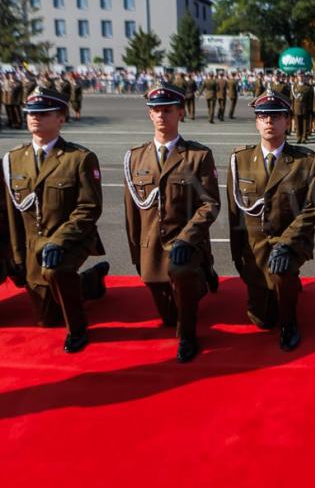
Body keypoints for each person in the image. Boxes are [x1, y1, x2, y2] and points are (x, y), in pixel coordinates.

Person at [3, 87, 109, 352]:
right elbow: (11, 213)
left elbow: (89, 208)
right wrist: (16, 257)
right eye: (31, 113)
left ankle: (78, 328)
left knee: (57, 270)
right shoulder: (14, 159)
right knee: (47, 319)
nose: (34, 118)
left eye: (43, 113)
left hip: (72, 239)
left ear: (61, 118)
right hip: (31, 245)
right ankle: (90, 282)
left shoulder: (79, 158)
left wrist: (59, 242)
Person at [123, 82, 220, 363]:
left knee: (182, 282)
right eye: (156, 110)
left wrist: (187, 238)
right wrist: (137, 255)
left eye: (168, 110)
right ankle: (201, 282)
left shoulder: (197, 156)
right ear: (149, 115)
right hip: (151, 245)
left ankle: (189, 336)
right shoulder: (135, 157)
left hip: (185, 243)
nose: (161, 115)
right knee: (168, 316)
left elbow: (210, 204)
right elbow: (132, 212)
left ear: (181, 113)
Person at [227, 89, 315, 350]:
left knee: (282, 274)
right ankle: (276, 290)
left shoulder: (305, 161)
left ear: (287, 121)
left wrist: (286, 244)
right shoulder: (241, 160)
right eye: (263, 116)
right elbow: (234, 213)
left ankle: (290, 322)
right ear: (256, 121)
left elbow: (312, 206)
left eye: (276, 116)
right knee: (261, 319)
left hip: (290, 243)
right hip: (256, 246)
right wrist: (238, 255)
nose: (269, 121)